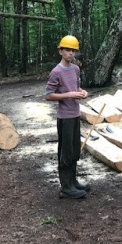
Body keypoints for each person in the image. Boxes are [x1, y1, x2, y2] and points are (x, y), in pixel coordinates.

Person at [46, 35, 89, 199]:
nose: (71, 53)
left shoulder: (76, 69)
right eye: (68, 50)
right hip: (65, 118)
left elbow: (77, 87)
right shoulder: (56, 72)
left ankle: (73, 181)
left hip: (76, 114)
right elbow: (49, 95)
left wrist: (82, 92)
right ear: (60, 51)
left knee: (74, 150)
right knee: (65, 152)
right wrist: (68, 94)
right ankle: (65, 187)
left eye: (73, 50)